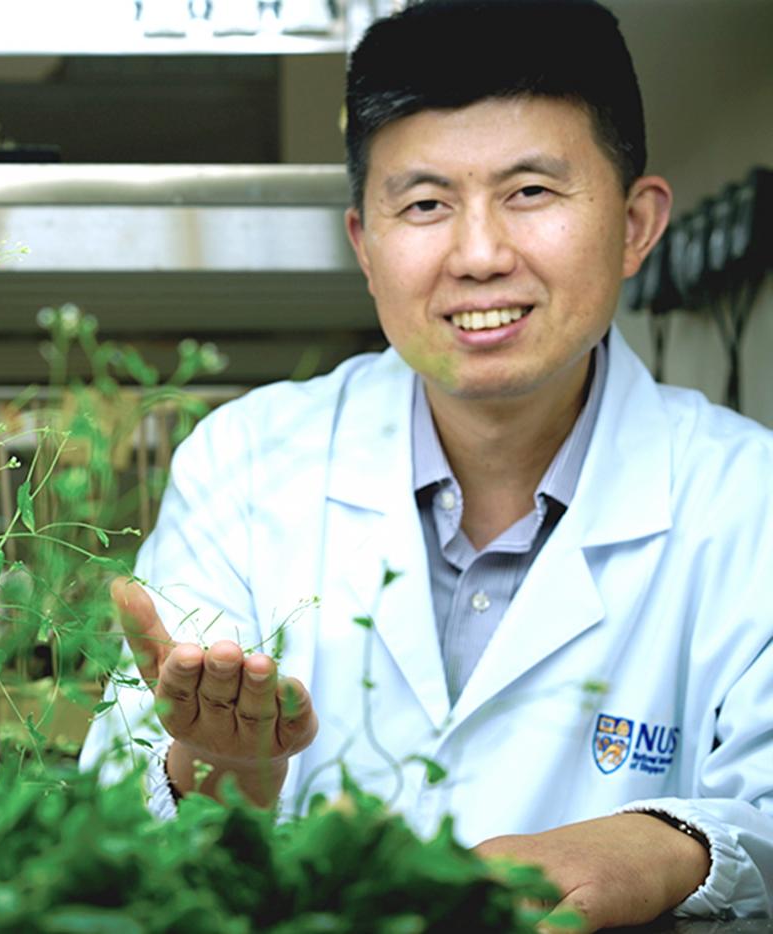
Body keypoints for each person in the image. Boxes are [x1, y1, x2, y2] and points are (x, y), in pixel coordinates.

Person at [81, 0, 773, 925]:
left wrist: (671, 842)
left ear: (637, 223)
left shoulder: (751, 498)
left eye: (530, 192)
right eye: (425, 205)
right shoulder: (246, 464)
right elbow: (115, 821)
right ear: (366, 246)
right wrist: (223, 768)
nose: (480, 254)